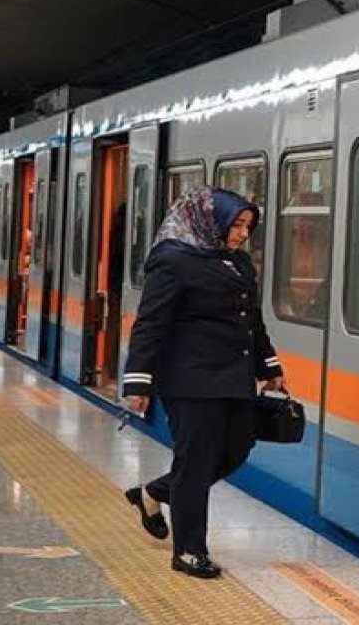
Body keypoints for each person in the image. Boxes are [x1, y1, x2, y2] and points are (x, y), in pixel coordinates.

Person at [119, 185, 285, 579]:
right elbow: (150, 323)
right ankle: (189, 550)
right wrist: (138, 382)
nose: (242, 234)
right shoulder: (172, 260)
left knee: (237, 448)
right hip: (190, 380)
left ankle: (154, 493)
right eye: (236, 225)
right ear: (211, 221)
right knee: (195, 464)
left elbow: (251, 320)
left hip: (235, 376)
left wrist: (269, 367)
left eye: (247, 226)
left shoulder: (238, 262)